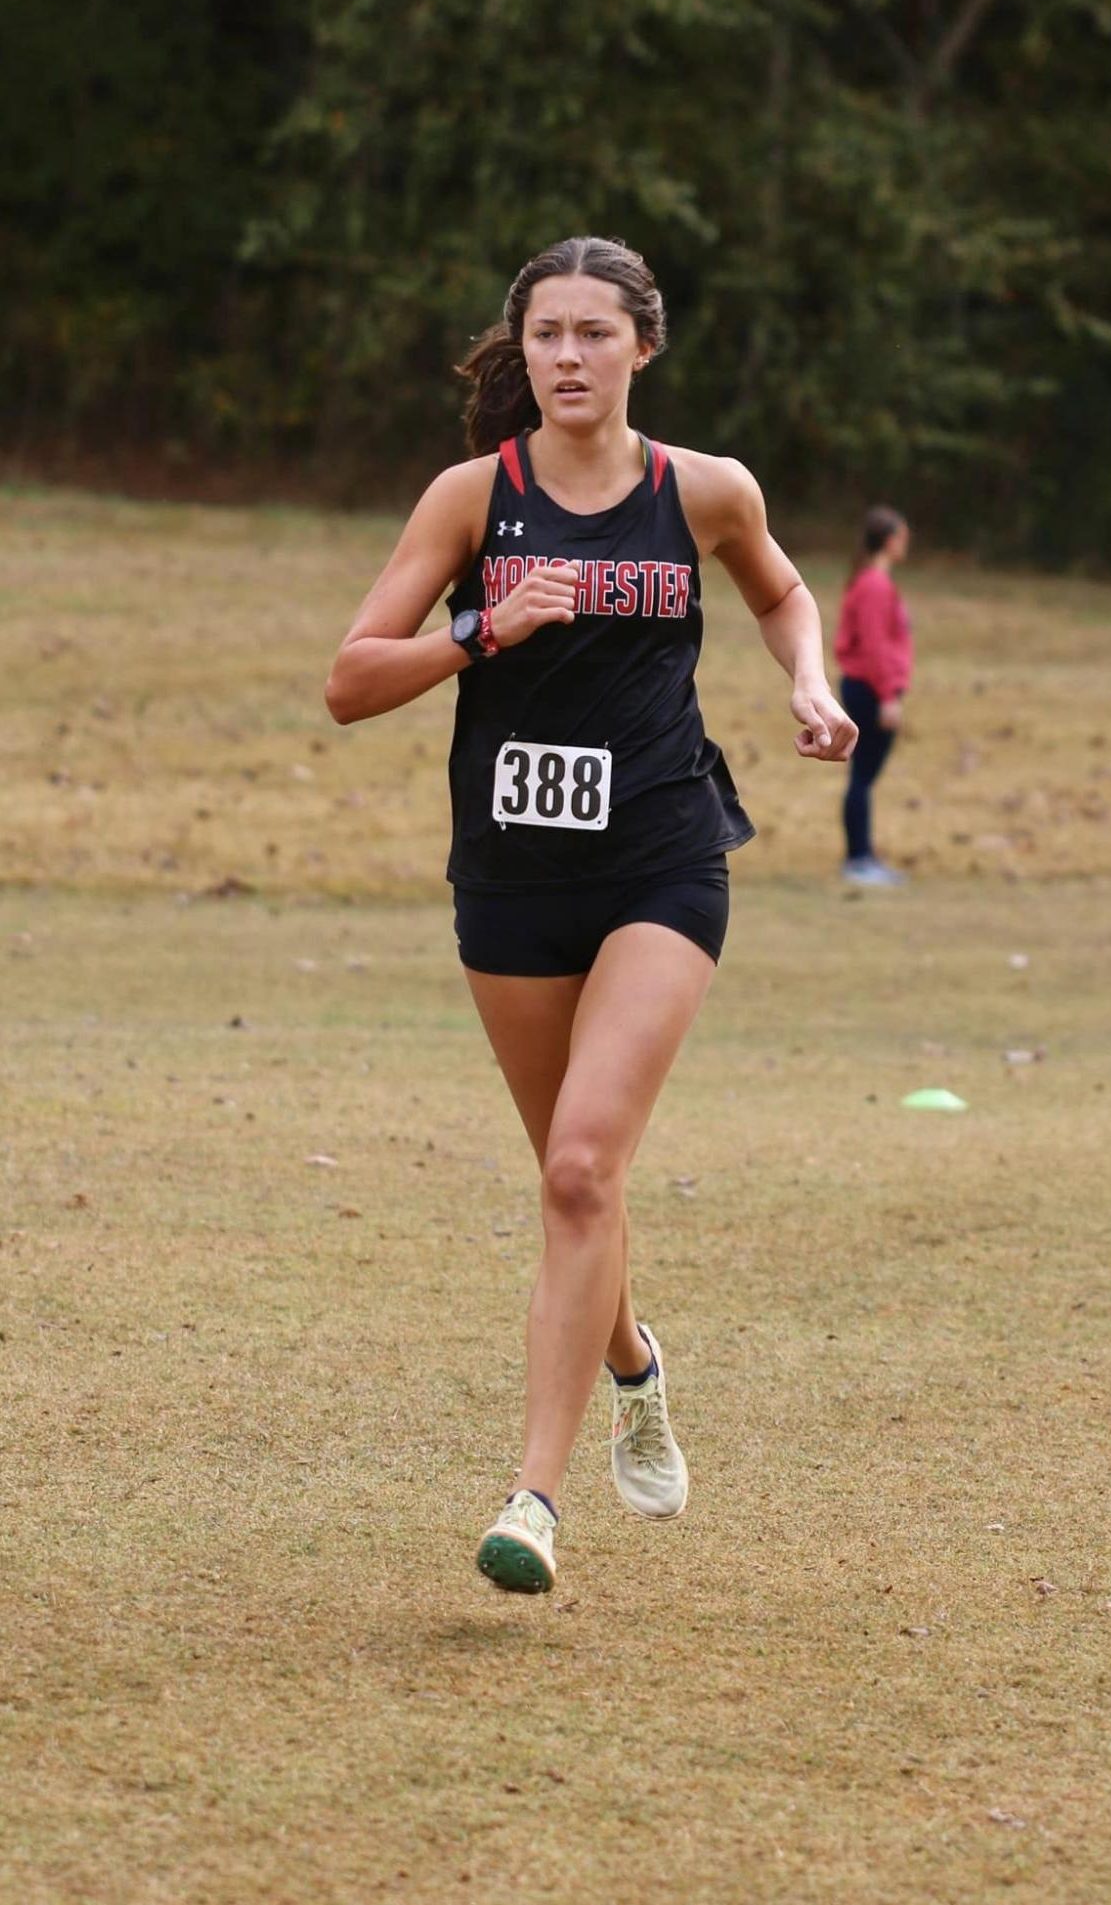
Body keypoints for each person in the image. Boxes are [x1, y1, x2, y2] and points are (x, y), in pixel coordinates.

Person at [325, 235, 856, 1595]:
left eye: (594, 334)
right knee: (579, 1180)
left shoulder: (702, 491)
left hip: (661, 867)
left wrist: (807, 679)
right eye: (548, 333)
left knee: (577, 1171)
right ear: (524, 349)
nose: (569, 356)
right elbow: (347, 681)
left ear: (641, 348)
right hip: (508, 879)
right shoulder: (469, 500)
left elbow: (785, 591)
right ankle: (633, 1361)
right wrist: (482, 632)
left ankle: (532, 1500)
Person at [834, 506, 914, 886]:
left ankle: (862, 855)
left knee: (863, 775)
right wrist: (888, 696)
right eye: (902, 537)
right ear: (888, 540)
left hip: (872, 686)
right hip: (869, 688)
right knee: (862, 776)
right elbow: (875, 646)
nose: (906, 544)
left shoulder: (873, 581)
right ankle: (858, 858)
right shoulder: (874, 586)